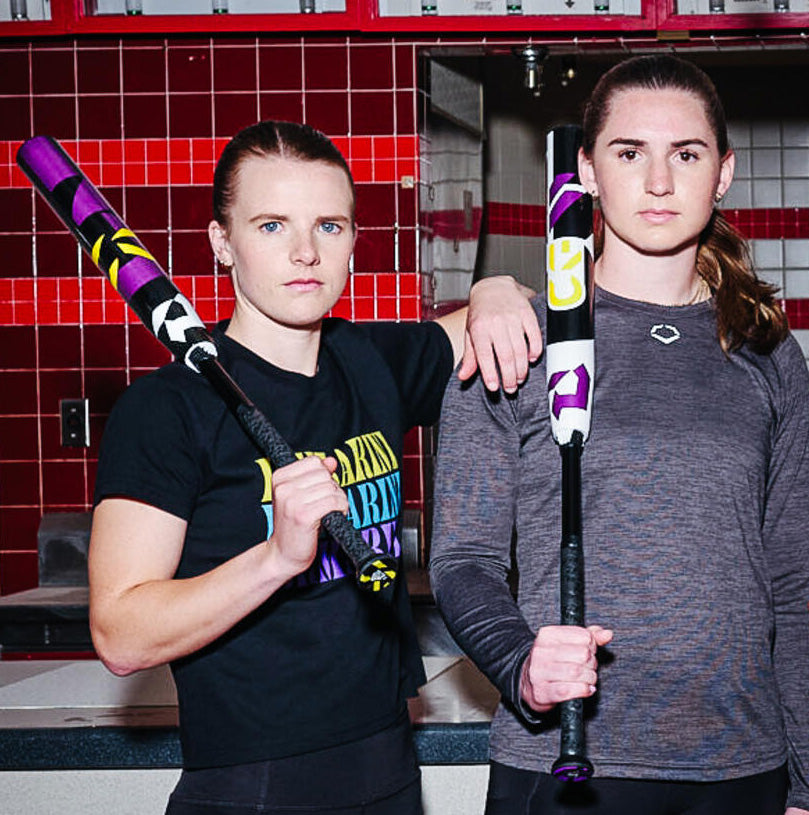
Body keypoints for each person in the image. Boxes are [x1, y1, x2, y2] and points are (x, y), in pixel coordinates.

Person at [88, 120, 541, 815]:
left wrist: (495, 287)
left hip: (388, 764)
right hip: (255, 783)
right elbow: (120, 633)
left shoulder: (370, 362)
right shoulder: (168, 408)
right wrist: (276, 557)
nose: (304, 251)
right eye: (271, 226)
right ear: (222, 243)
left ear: (354, 244)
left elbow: (486, 324)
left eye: (329, 226)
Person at [429, 55, 809, 815]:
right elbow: (462, 560)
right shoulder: (516, 339)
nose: (660, 182)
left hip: (740, 766)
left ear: (724, 172)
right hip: (564, 762)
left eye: (687, 154)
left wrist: (805, 780)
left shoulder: (767, 351)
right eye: (629, 152)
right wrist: (520, 666)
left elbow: (790, 584)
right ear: (586, 171)